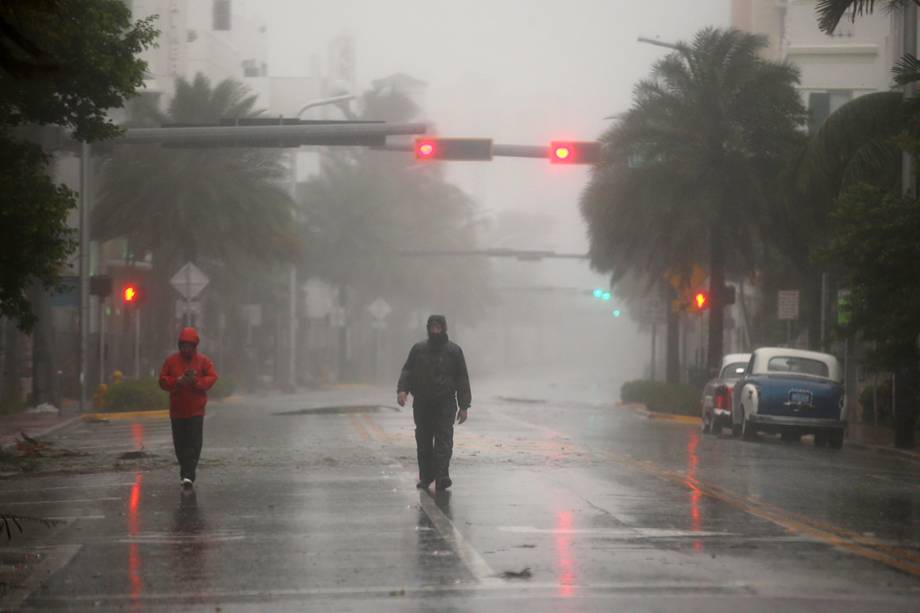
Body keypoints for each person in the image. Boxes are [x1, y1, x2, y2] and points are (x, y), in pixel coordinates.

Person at [397, 315, 471, 491]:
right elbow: (407, 370)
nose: (435, 331)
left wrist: (464, 406)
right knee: (423, 441)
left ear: (444, 329)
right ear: (428, 329)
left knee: (444, 441)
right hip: (422, 403)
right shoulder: (418, 349)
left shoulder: (454, 351)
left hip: (445, 402)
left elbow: (462, 379)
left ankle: (442, 476)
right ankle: (426, 476)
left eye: (438, 328)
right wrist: (402, 390)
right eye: (432, 328)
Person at [158, 327, 218, 489]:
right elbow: (162, 380)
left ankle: (188, 475)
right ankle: (186, 472)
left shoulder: (203, 361)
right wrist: (177, 381)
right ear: (179, 346)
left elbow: (212, 377)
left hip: (196, 410)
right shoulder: (171, 361)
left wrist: (197, 382)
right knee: (180, 444)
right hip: (177, 411)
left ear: (195, 346)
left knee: (194, 443)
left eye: (190, 346)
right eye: (184, 346)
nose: (187, 349)